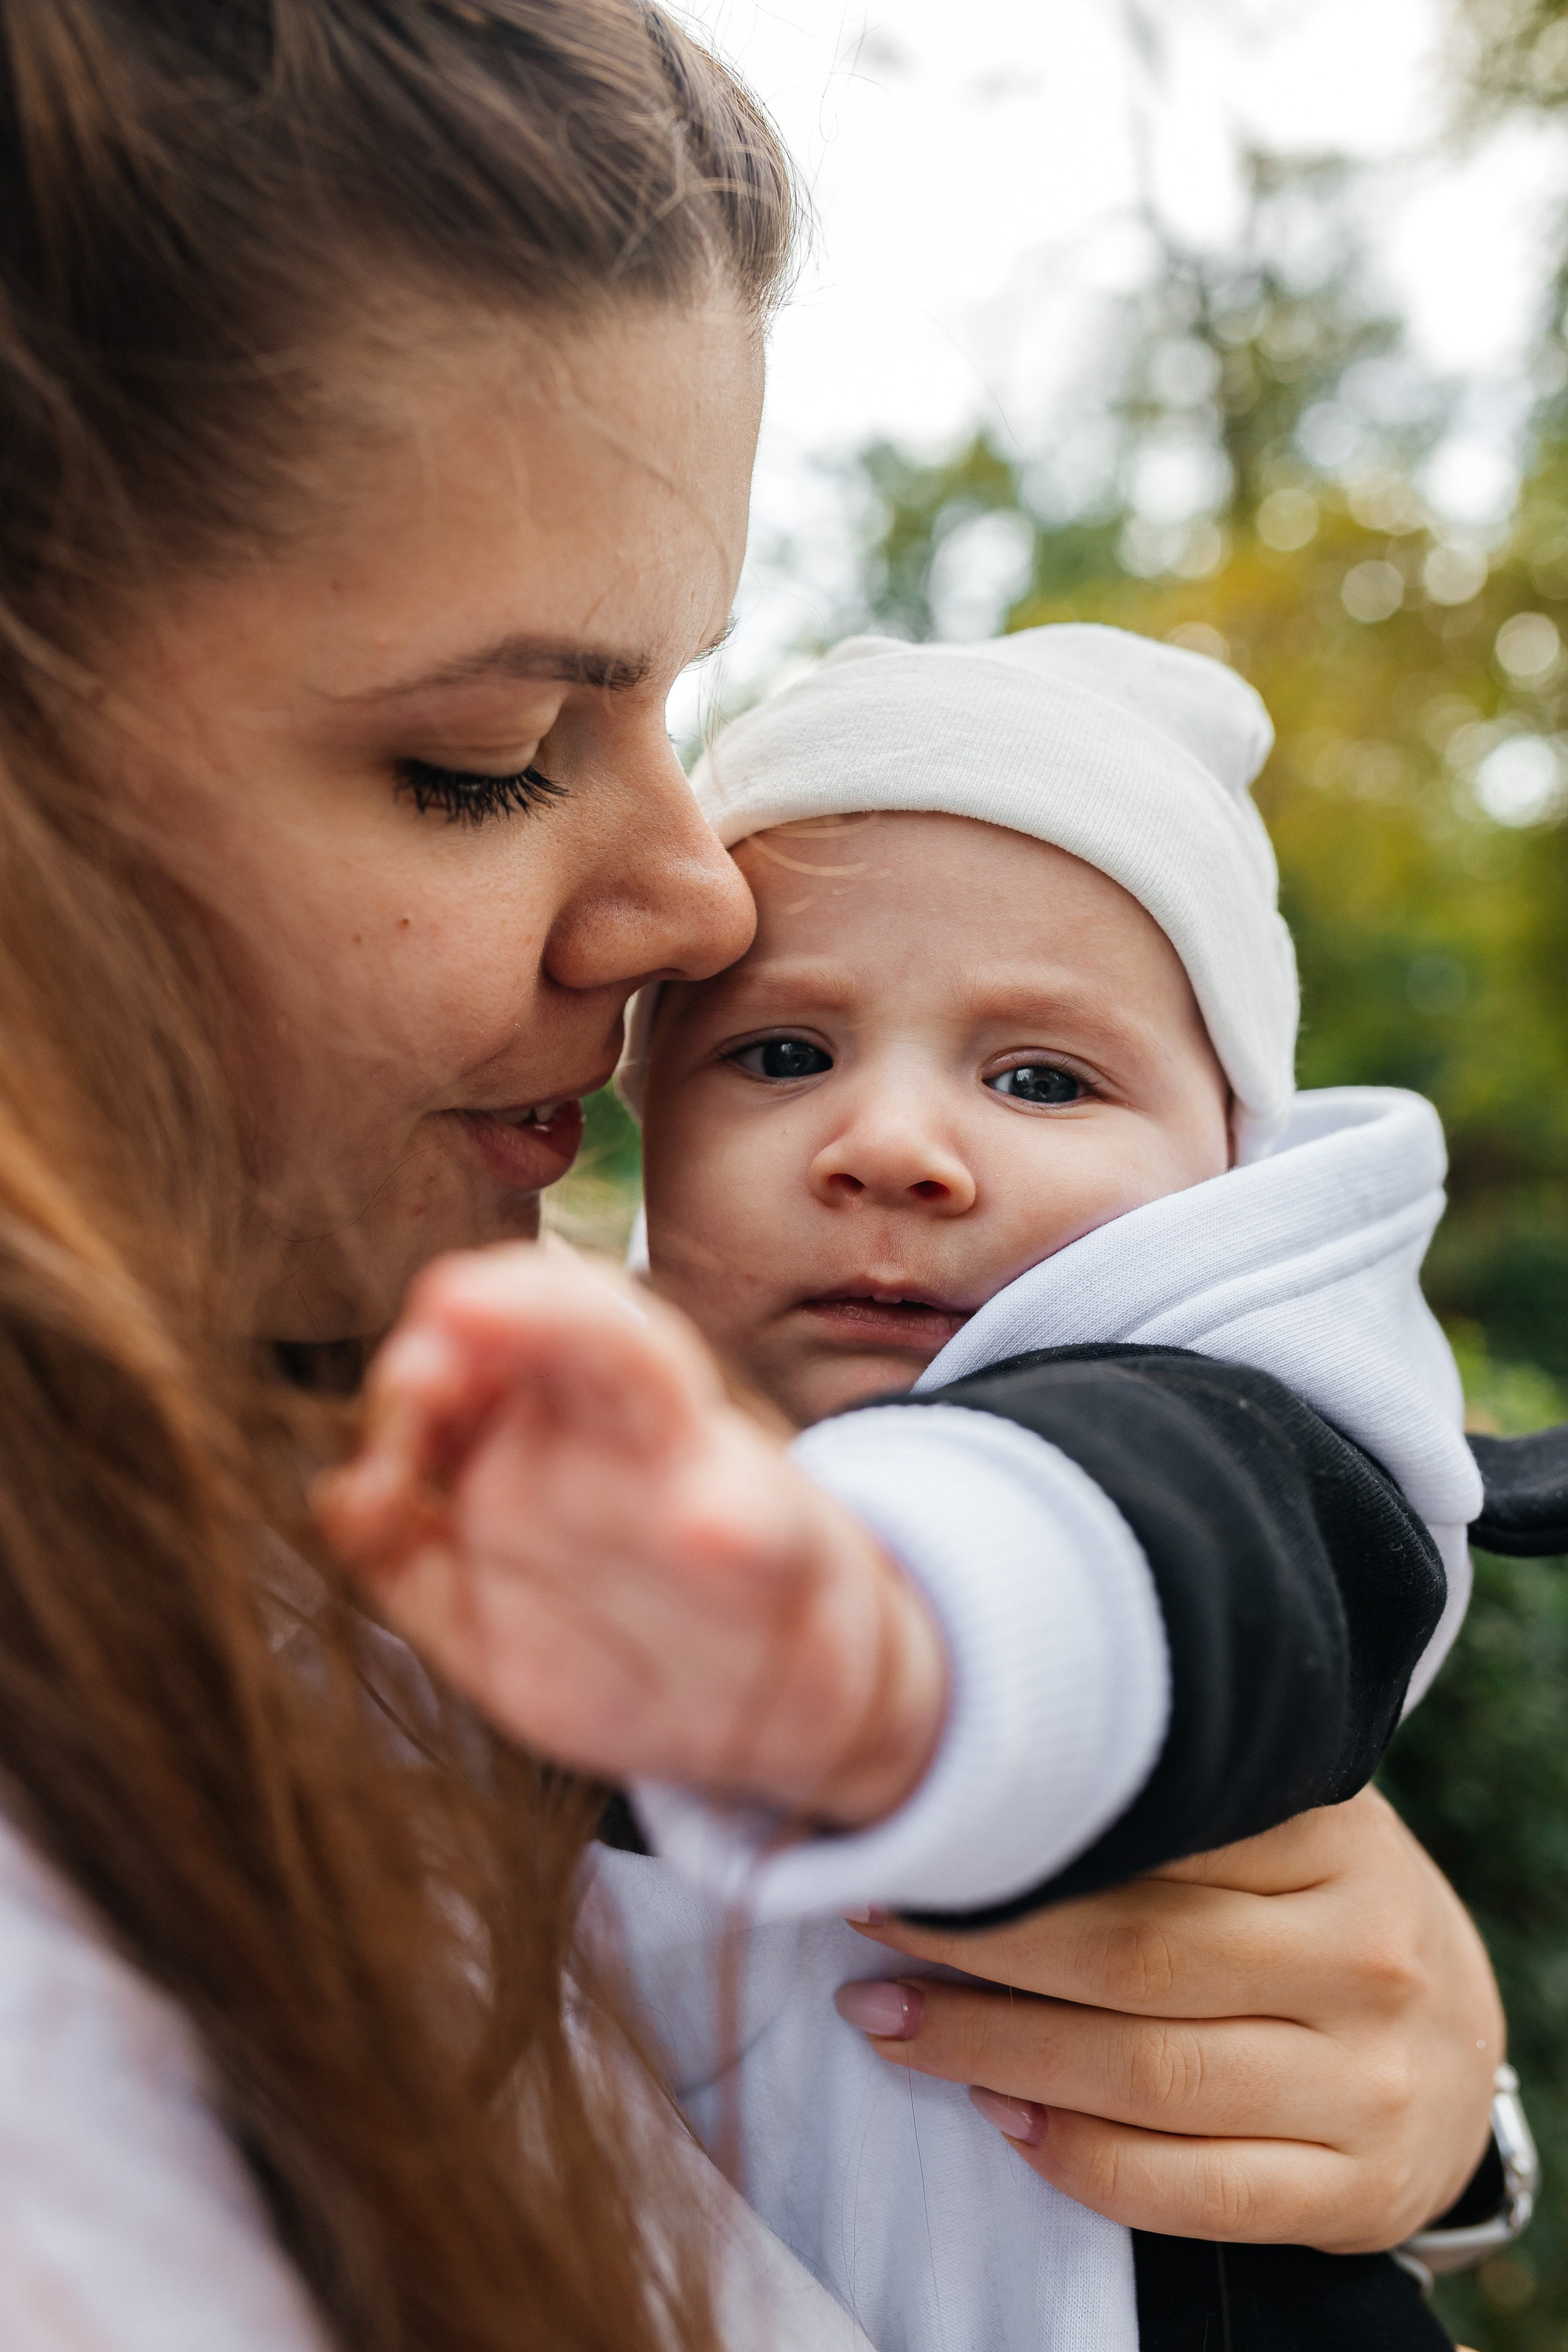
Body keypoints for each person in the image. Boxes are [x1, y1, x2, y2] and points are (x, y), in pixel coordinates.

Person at [0, 2, 1505, 2347]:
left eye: (666, 717)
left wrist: (1348, 2098)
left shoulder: (331, 1441)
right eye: (492, 756)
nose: (700, 908)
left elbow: (1186, 1519)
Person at [330, 625, 1498, 2349]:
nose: (889, 1145)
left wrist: (875, 1639)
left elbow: (1168, 1552)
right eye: (781, 1054)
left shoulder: (1252, 1432)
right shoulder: (560, 1432)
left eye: (1040, 1077)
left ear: (1222, 1164)